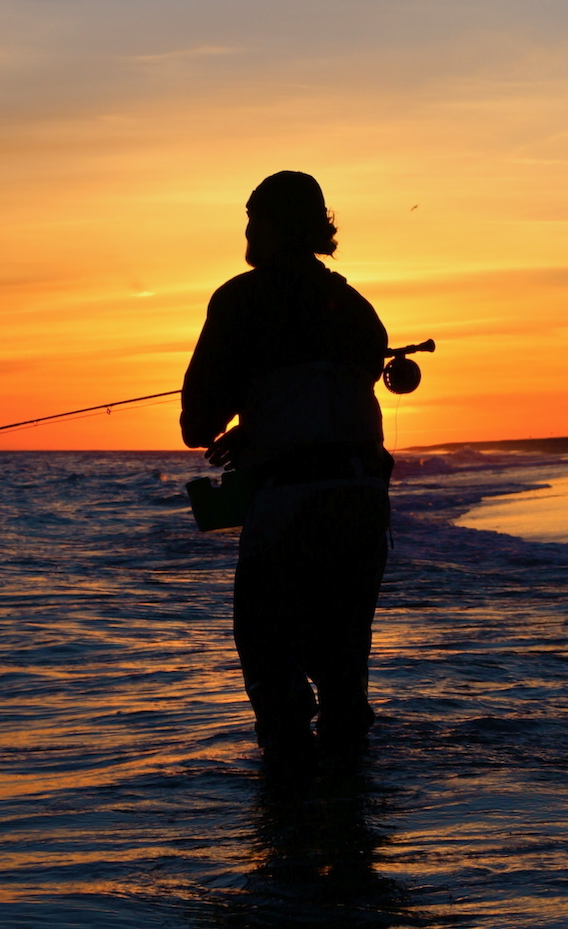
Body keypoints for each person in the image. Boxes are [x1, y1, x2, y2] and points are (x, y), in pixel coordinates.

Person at [181, 171, 392, 761]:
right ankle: (353, 828)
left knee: (272, 669)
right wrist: (259, 424)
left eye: (253, 216)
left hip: (289, 510)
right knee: (343, 671)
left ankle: (286, 830)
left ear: (274, 225)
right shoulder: (357, 308)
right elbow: (333, 397)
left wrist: (239, 417)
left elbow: (197, 425)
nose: (246, 229)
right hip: (363, 503)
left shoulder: (241, 300)